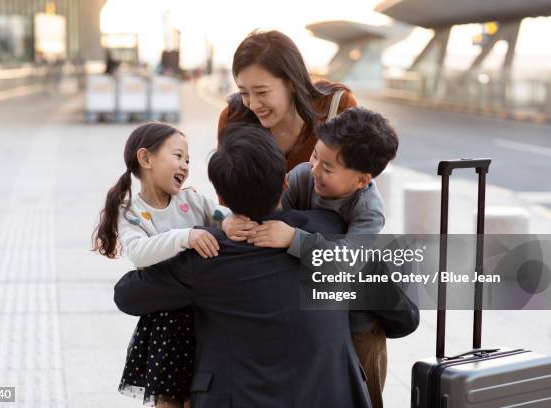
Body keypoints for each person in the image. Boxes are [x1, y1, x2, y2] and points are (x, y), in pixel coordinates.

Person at [114, 123, 373, 408]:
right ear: (285, 183)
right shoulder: (335, 233)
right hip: (333, 396)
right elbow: (405, 319)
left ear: (221, 198)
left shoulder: (205, 253)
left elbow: (127, 295)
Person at [224, 107, 400, 408]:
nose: (315, 169)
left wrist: (294, 238)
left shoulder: (368, 210)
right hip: (315, 310)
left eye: (328, 168)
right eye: (315, 155)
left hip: (358, 320)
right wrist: (228, 221)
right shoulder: (304, 177)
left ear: (361, 180)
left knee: (363, 393)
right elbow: (266, 217)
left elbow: (348, 264)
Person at [92, 122, 228, 407]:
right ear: (146, 159)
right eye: (178, 156)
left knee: (199, 395)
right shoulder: (132, 212)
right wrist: (185, 237)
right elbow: (139, 253)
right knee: (168, 399)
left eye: (188, 160)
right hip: (167, 324)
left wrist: (234, 220)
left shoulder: (192, 199)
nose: (185, 165)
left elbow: (222, 216)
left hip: (204, 317)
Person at [217, 30, 358, 172]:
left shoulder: (338, 108)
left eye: (262, 92)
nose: (252, 105)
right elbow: (229, 191)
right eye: (244, 93)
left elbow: (358, 183)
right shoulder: (232, 119)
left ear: (292, 82)